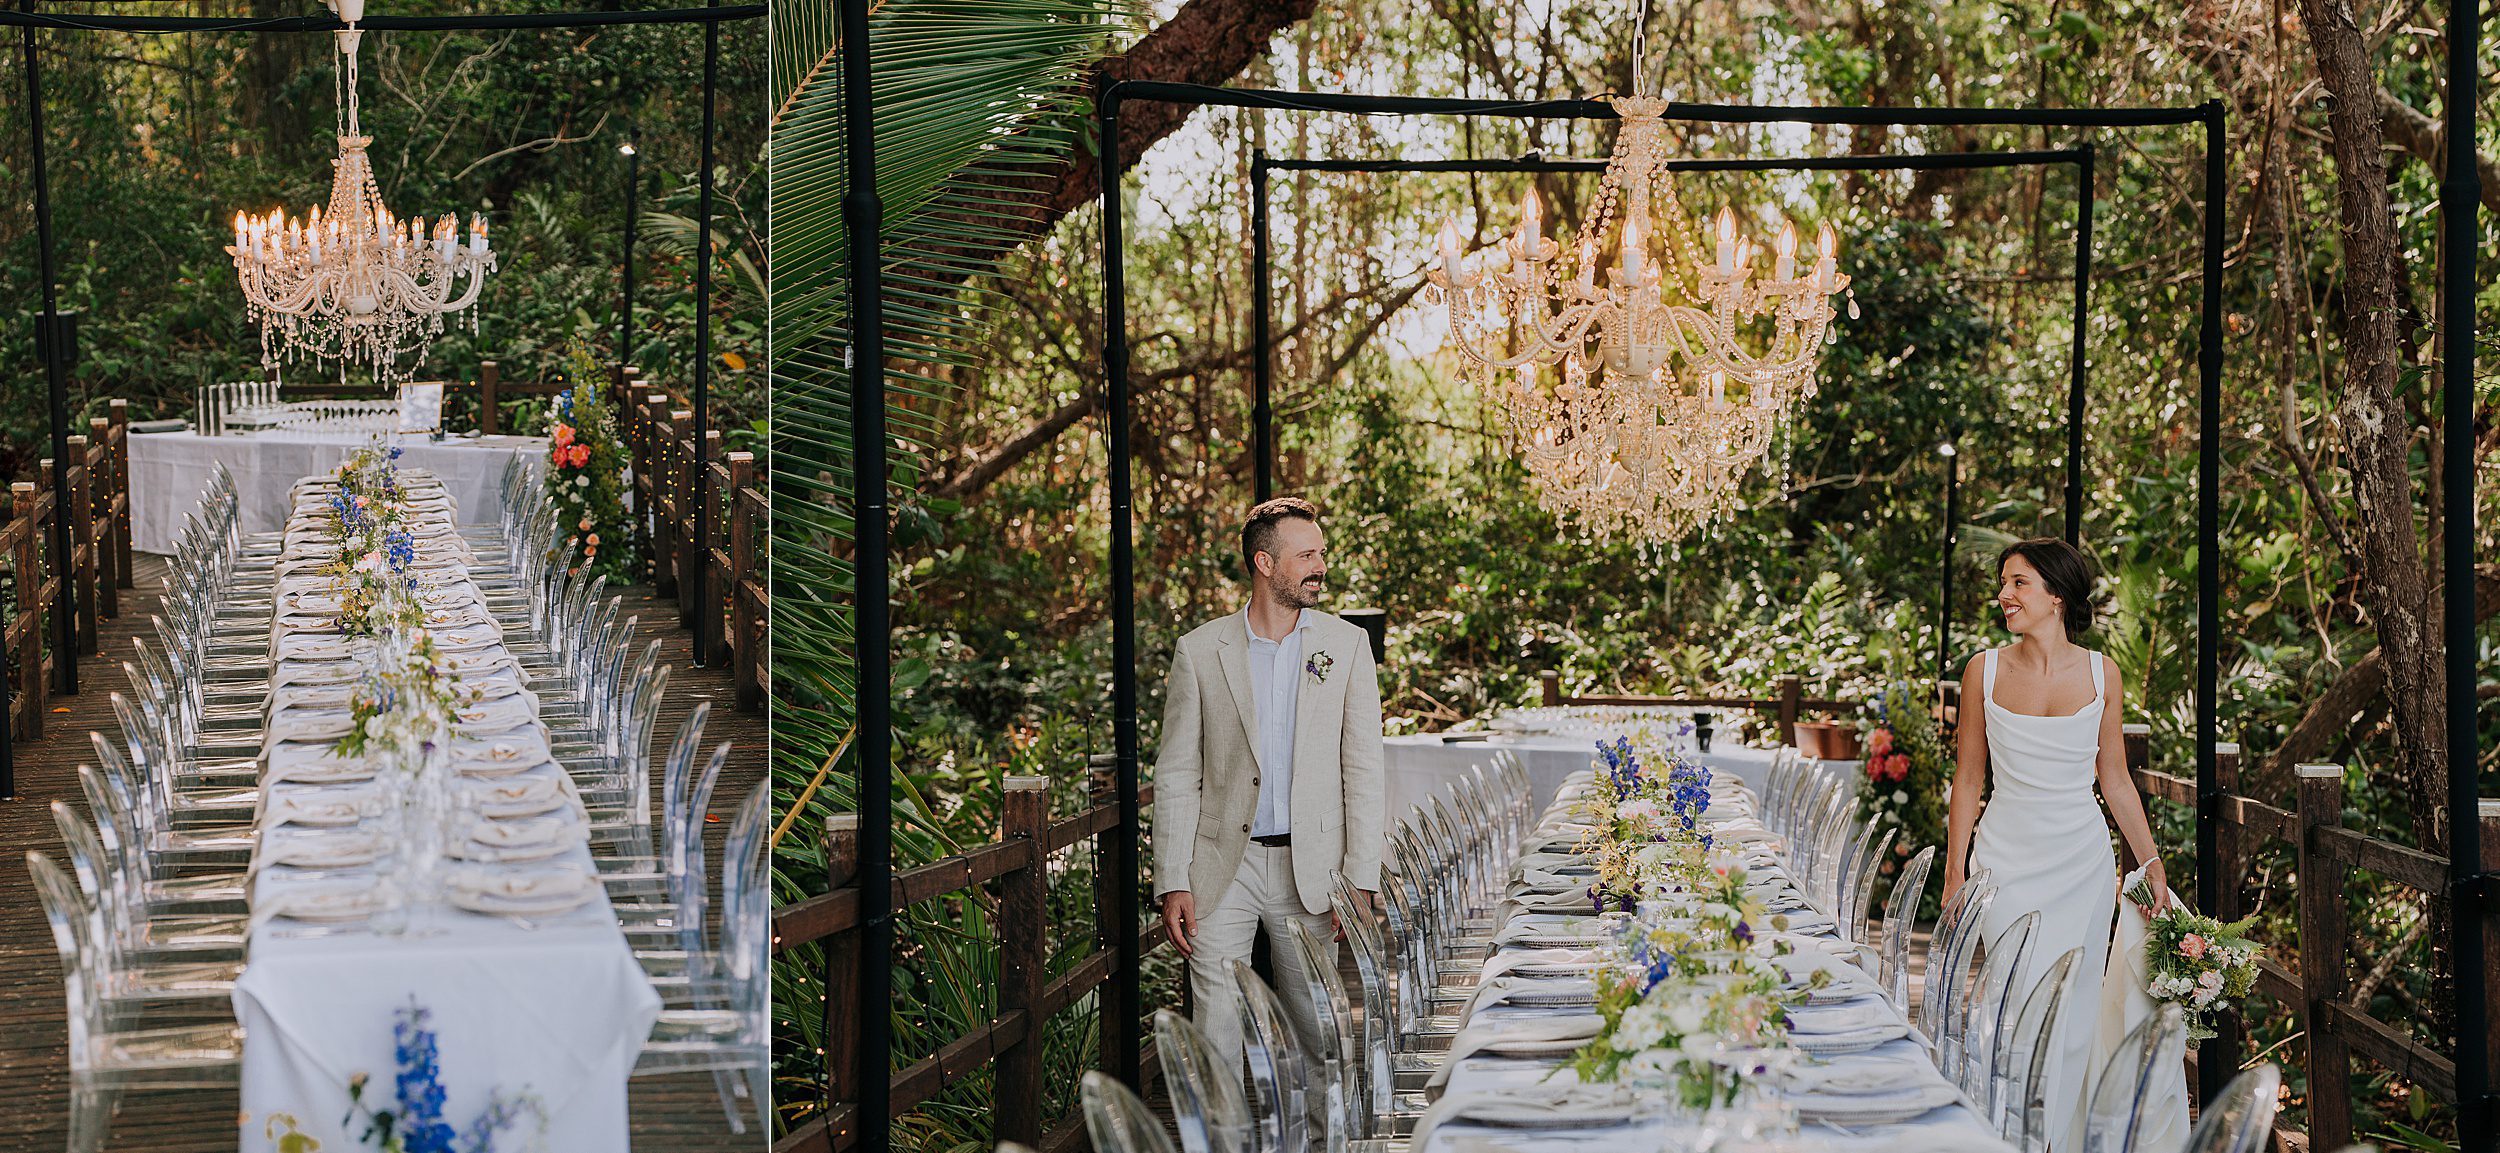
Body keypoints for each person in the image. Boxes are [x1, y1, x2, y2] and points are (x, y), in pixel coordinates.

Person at [1943, 537, 2174, 1153]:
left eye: (2018, 583)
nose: (2004, 596)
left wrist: (2150, 864)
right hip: (2003, 863)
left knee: (2071, 1016)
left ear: (2057, 596)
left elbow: (2116, 779)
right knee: (2009, 1003)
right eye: (2003, 583)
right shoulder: (1982, 671)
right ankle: (2004, 1136)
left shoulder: (2103, 673)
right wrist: (1954, 873)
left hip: (2081, 865)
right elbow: (1968, 778)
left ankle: (2055, 1143)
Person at [1151, 496, 1385, 1064]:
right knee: (1216, 1027)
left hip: (1313, 868)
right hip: (1220, 868)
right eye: (1306, 555)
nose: (1320, 566)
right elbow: (1178, 771)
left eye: (1321, 553)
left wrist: (1359, 875)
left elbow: (1364, 767)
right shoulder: (1201, 650)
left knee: (1317, 1027)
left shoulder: (1347, 645)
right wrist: (1172, 879)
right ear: (1264, 564)